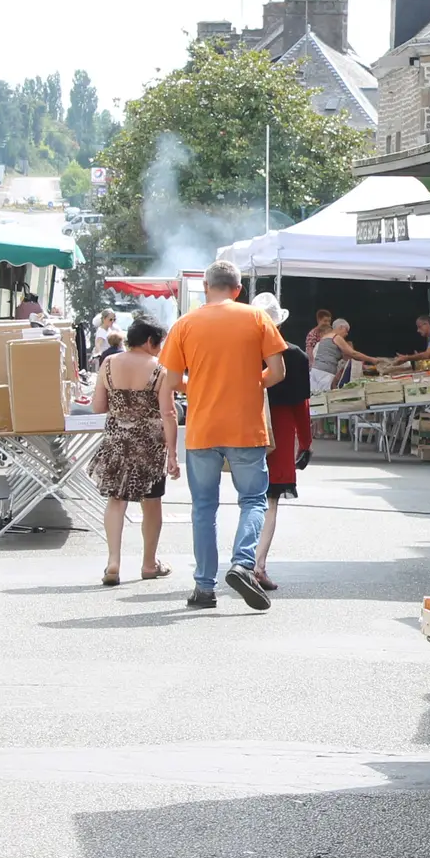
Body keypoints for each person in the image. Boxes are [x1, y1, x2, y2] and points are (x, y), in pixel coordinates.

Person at [157, 259, 287, 610]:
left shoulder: (185, 324)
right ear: (239, 289)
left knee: (203, 508)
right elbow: (277, 372)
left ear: (204, 288)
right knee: (253, 500)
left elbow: (170, 382)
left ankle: (203, 587)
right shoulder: (257, 318)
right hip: (246, 427)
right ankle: (243, 564)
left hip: (203, 429)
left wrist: (199, 387)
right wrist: (247, 382)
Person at [88, 319, 175, 587]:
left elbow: (97, 406)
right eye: (159, 343)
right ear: (150, 341)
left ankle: (113, 562)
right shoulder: (159, 369)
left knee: (116, 499)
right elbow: (168, 413)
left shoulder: (108, 363)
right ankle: (149, 563)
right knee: (152, 502)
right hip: (148, 445)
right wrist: (172, 453)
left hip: (116, 441)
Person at [254, 296, 313, 592]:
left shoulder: (245, 353)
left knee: (248, 499)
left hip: (247, 429)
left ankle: (243, 560)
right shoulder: (296, 355)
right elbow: (301, 406)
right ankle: (258, 565)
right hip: (281, 433)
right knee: (271, 502)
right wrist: (306, 442)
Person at [311, 318, 379, 395]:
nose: (346, 334)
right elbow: (353, 354)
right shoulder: (335, 337)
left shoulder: (325, 337)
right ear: (340, 327)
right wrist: (371, 359)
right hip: (325, 373)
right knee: (324, 397)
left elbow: (345, 356)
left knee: (315, 397)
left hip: (315, 370)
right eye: (346, 330)